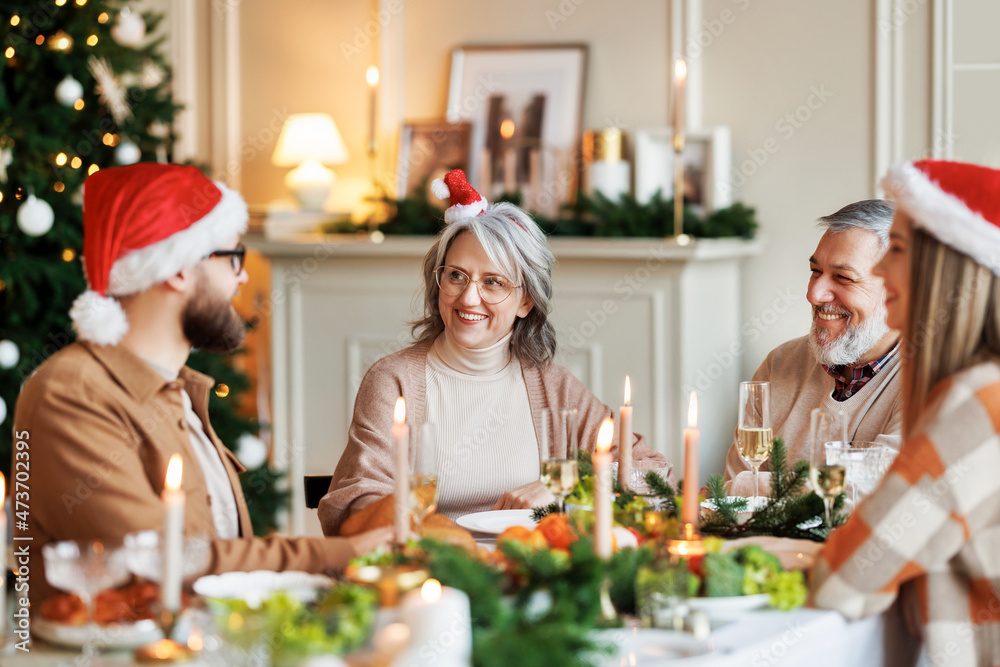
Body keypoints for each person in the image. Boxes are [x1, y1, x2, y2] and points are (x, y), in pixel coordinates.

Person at [13, 163, 390, 605]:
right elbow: (159, 559)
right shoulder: (72, 392)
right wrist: (342, 553)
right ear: (179, 268)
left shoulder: (178, 393)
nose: (243, 276)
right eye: (233, 256)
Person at [319, 170, 670, 535]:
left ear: (526, 301)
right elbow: (356, 504)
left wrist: (560, 485)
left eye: (493, 282)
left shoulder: (553, 386)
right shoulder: (394, 381)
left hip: (530, 568)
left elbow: (651, 470)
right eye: (456, 275)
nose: (469, 297)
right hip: (433, 571)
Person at [813, 160, 1000, 664]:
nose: (879, 271)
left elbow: (845, 580)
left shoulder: (980, 405)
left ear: (944, 267)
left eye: (894, 251)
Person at [724, 200, 903, 495]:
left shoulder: (933, 380)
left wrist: (748, 486)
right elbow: (728, 505)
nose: (813, 294)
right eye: (815, 270)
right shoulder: (779, 363)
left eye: (843, 277)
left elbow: (877, 497)